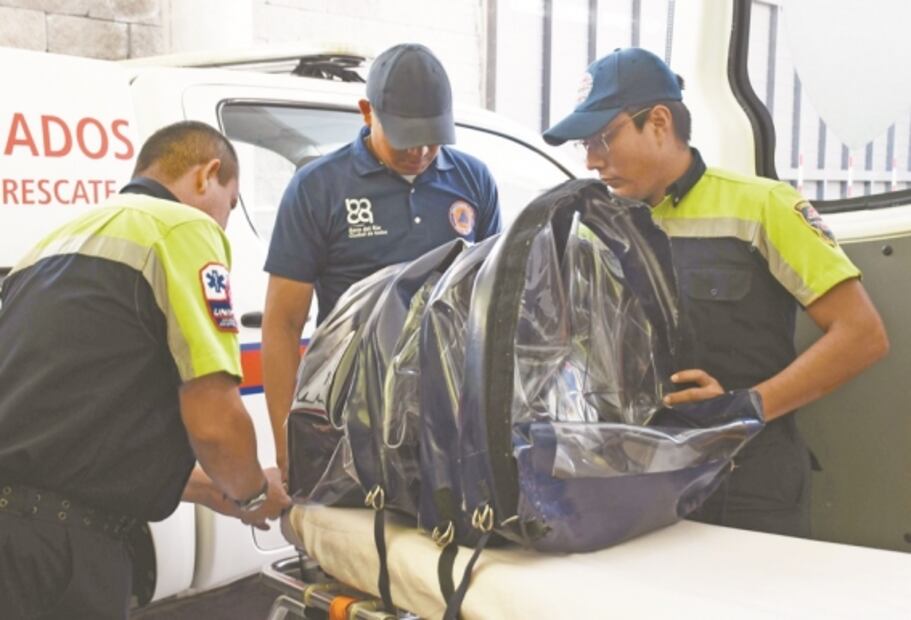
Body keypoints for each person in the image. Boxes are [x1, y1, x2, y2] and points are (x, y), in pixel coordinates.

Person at [542, 48, 889, 536]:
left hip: (748, 483)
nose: (592, 160)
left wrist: (744, 407)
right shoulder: (596, 229)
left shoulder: (762, 207)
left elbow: (862, 334)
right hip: (639, 479)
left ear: (658, 122)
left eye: (603, 137)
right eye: (584, 144)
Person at [0, 121, 291, 619]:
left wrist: (214, 491)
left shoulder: (54, 244)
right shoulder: (183, 228)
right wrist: (252, 494)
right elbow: (215, 422)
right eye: (231, 202)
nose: (224, 223)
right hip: (68, 555)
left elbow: (78, 434)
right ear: (208, 175)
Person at [263, 43, 502, 477]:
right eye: (406, 138)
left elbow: (491, 302)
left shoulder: (473, 180)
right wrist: (288, 446)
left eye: (433, 137)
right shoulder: (318, 188)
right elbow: (281, 323)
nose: (421, 152)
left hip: (448, 414)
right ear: (366, 112)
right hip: (351, 414)